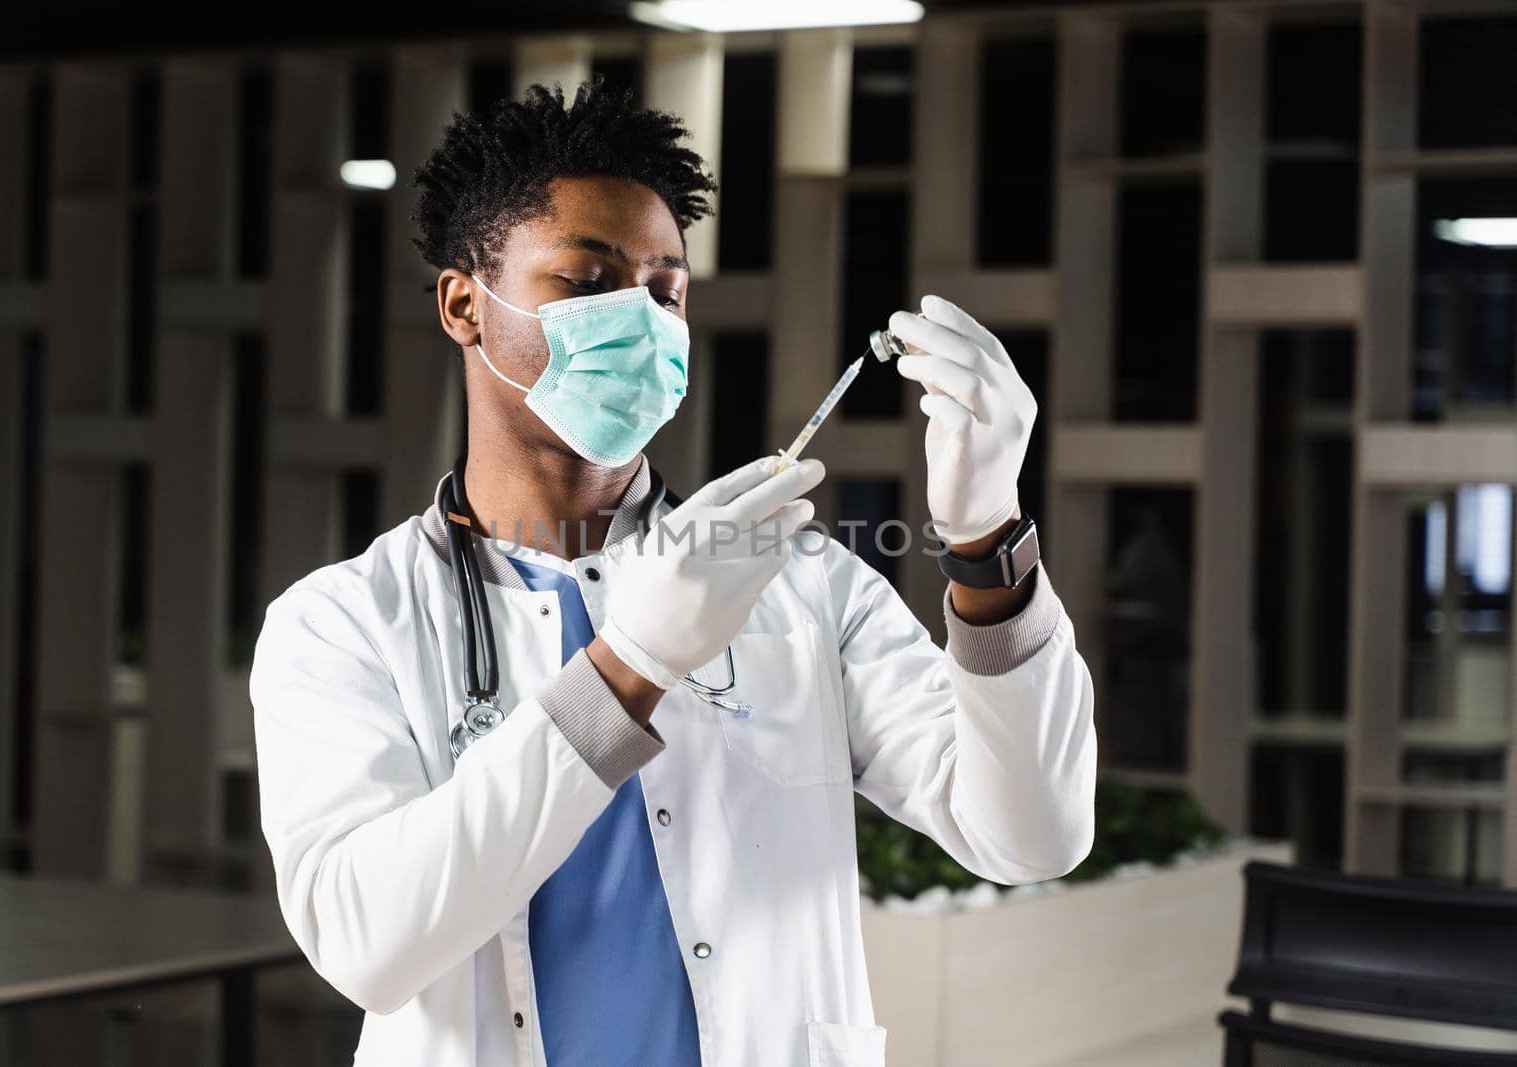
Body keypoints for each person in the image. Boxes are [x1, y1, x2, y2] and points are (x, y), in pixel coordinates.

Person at [249, 79, 1096, 1067]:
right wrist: (630, 664)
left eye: (664, 288)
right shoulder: (343, 622)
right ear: (462, 305)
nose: (641, 318)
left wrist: (989, 544)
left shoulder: (801, 588)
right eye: (585, 279)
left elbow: (1030, 835)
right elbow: (367, 943)